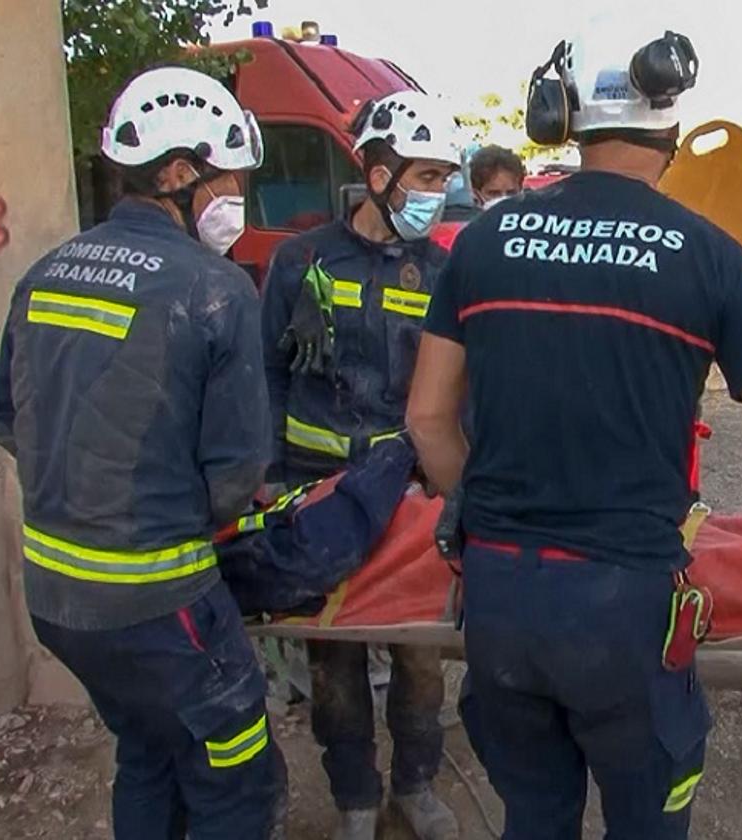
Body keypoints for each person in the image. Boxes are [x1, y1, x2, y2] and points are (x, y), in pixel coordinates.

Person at [407, 28, 742, 839]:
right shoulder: (708, 257)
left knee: (534, 814)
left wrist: (476, 510)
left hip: (500, 599)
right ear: (672, 139)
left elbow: (428, 419)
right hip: (625, 610)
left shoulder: (483, 242)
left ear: (565, 127)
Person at [0, 67, 285, 838]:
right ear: (179, 174)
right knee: (235, 780)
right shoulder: (215, 288)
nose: (234, 201)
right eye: (230, 181)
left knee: (148, 752)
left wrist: (82, 485)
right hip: (162, 602)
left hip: (55, 596)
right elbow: (237, 473)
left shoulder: (43, 274)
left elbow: (2, 415)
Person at [260, 90, 460, 840]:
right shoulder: (300, 261)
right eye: (428, 175)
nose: (437, 194)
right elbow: (264, 372)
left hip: (408, 499)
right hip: (318, 500)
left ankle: (415, 788)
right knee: (334, 666)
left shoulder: (443, 274)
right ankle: (353, 800)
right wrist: (269, 480)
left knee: (418, 655)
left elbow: (461, 395)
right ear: (379, 174)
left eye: (446, 176)